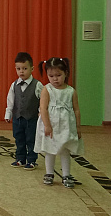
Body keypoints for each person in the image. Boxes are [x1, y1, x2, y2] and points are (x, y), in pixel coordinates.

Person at [35, 57, 83, 188]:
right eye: (51, 76)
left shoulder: (71, 91)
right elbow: (43, 108)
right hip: (51, 125)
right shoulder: (47, 89)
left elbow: (76, 109)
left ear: (65, 73)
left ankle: (66, 175)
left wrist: (78, 127)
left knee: (65, 149)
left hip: (66, 125)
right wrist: (47, 125)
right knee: (50, 149)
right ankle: (49, 173)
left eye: (58, 75)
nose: (55, 79)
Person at [4, 51, 41, 169]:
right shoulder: (14, 85)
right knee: (19, 139)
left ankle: (32, 160)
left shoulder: (37, 85)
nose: (21, 71)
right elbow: (10, 101)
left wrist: (41, 113)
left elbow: (43, 100)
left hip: (32, 119)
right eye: (18, 69)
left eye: (25, 68)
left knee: (31, 140)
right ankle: (20, 158)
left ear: (32, 68)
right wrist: (8, 114)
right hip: (18, 118)